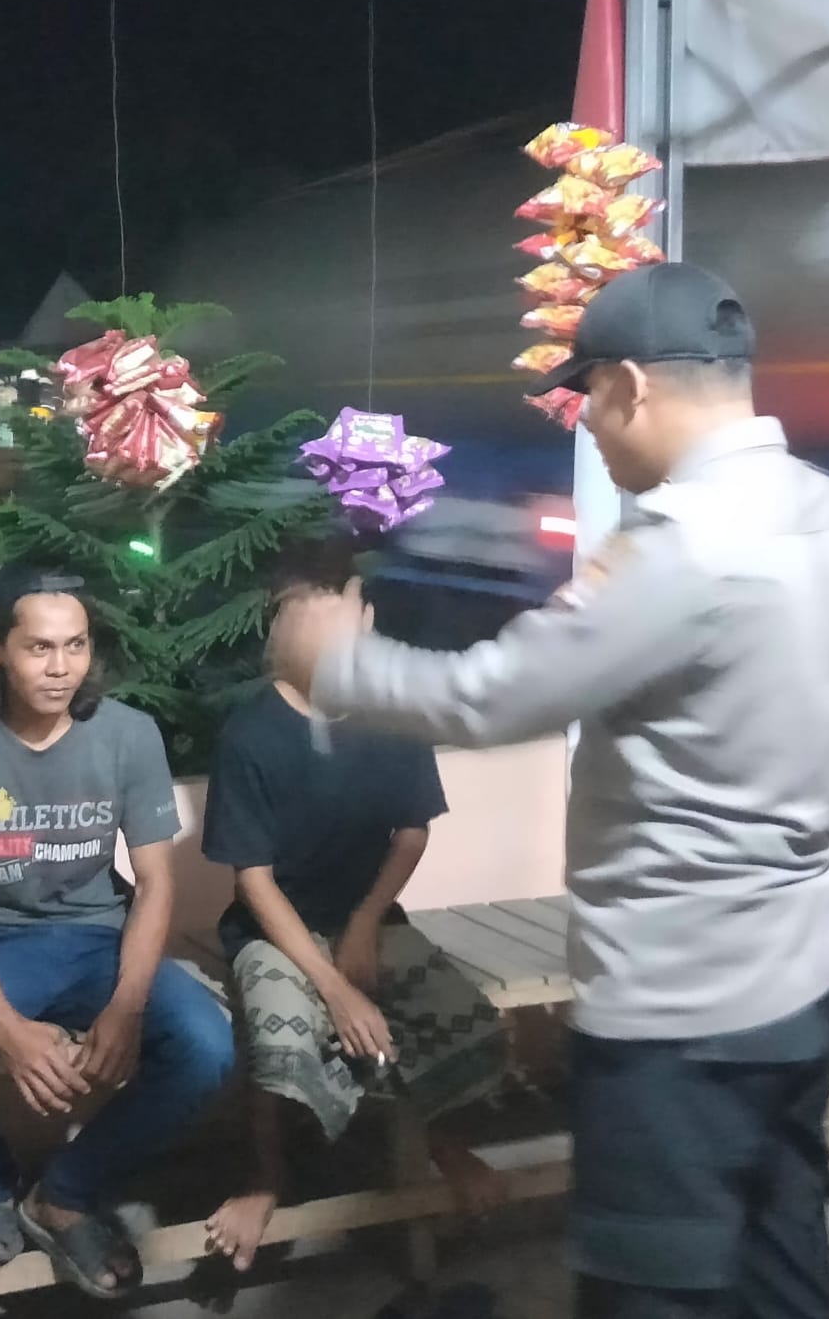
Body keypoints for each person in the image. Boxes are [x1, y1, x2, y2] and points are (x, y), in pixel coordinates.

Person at [271, 263, 829, 1319]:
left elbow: (491, 695)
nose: (588, 426)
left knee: (647, 1292)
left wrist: (333, 662)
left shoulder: (685, 547)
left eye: (588, 396)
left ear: (632, 386)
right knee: (778, 1272)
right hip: (795, 986)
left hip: (681, 1016)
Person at [0, 563, 234, 1299]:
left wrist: (127, 1006)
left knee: (207, 1046)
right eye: (39, 647)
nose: (61, 667)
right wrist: (9, 1030)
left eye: (76, 645)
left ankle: (66, 1193)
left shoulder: (128, 735)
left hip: (100, 940)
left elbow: (156, 882)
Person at [202, 541, 509, 1274]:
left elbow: (412, 831)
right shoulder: (251, 732)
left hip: (366, 916)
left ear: (366, 618)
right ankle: (266, 1177)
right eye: (311, 615)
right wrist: (333, 987)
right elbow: (254, 881)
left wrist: (366, 924)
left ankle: (443, 1146)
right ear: (284, 627)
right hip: (275, 928)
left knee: (453, 1009)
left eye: (344, 612)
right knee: (278, 1028)